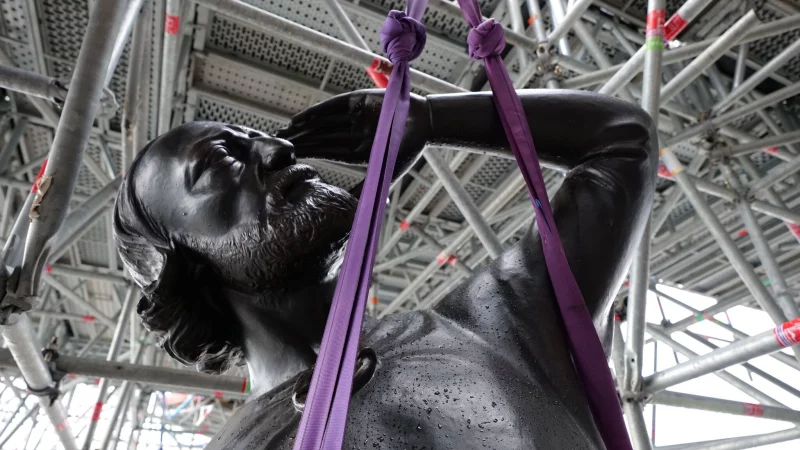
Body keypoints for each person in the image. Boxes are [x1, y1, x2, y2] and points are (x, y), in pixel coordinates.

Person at [113, 89, 657, 449]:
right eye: (220, 163)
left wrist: (434, 117)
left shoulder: (494, 322)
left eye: (263, 139)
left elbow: (620, 141)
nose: (279, 150)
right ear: (181, 265)